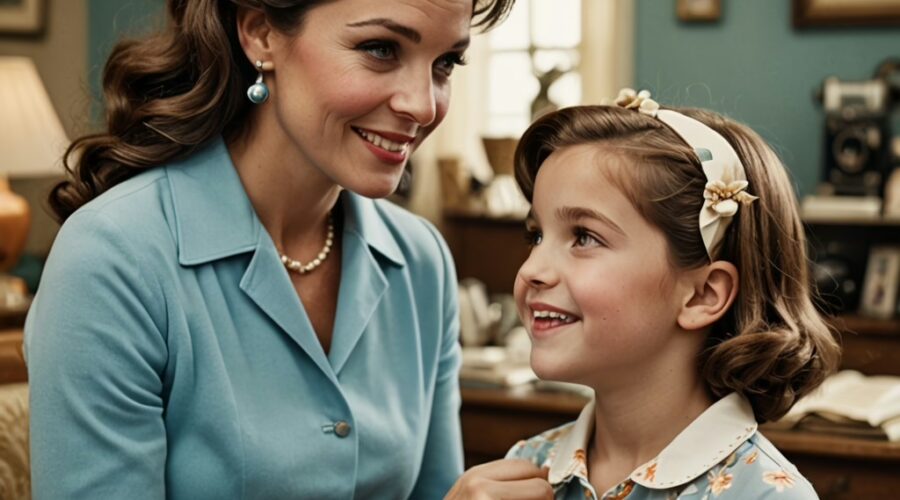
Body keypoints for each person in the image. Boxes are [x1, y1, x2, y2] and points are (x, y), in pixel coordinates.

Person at [25, 0, 515, 498]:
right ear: (260, 33)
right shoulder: (111, 262)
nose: (423, 105)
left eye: (445, 63)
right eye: (380, 49)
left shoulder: (421, 262)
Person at [447, 90, 841, 499]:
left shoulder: (766, 495)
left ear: (702, 295)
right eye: (536, 235)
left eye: (584, 237)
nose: (531, 270)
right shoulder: (524, 469)